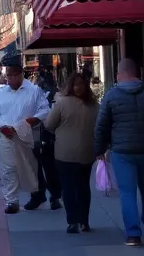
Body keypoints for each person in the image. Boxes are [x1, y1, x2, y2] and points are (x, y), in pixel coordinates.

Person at [94, 58, 144, 246]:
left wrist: (99, 149)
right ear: (138, 73)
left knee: (127, 193)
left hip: (123, 152)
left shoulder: (111, 96)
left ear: (120, 74)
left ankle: (133, 234)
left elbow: (101, 126)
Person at [44, 72, 100, 234]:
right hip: (87, 152)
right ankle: (84, 221)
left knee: (68, 188)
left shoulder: (61, 103)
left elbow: (49, 124)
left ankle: (72, 221)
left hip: (65, 153)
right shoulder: (95, 105)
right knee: (83, 187)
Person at [0, 63, 49, 214]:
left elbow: (44, 110)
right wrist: (3, 127)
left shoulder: (34, 91)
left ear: (21, 74)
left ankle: (37, 194)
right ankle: (12, 201)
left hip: (26, 134)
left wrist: (32, 120)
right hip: (7, 134)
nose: (10, 78)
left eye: (13, 75)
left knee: (29, 167)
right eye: (8, 75)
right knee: (9, 168)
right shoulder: (1, 93)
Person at [28, 69, 63, 211]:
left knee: (47, 167)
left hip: (46, 133)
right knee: (37, 167)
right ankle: (42, 195)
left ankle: (52, 196)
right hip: (36, 133)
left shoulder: (54, 94)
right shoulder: (32, 94)